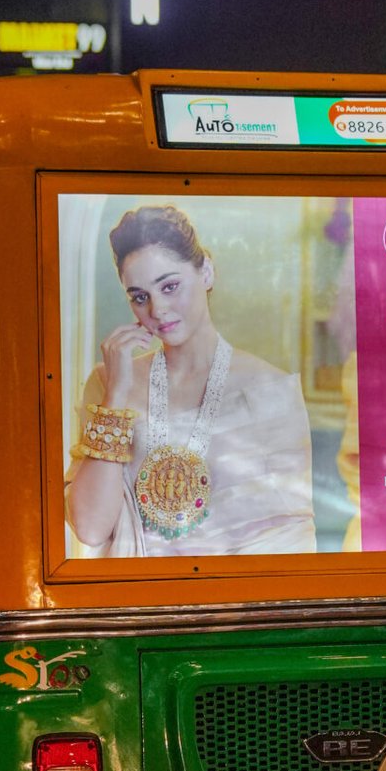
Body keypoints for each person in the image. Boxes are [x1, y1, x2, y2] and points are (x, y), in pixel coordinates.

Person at [65, 204, 316, 557]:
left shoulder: (269, 390)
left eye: (170, 286)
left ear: (206, 272)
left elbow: (288, 544)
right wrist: (117, 395)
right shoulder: (110, 383)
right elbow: (91, 529)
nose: (157, 310)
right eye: (140, 297)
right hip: (132, 590)